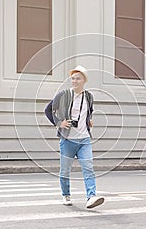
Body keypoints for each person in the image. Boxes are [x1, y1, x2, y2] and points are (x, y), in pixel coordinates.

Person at [45, 65, 105, 209]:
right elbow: (48, 110)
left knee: (88, 167)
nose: (74, 81)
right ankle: (66, 195)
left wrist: (88, 120)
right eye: (73, 78)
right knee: (65, 170)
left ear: (84, 80)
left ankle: (91, 197)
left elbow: (90, 110)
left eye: (78, 78)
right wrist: (59, 122)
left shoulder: (89, 96)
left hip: (84, 139)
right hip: (68, 140)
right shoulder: (63, 94)